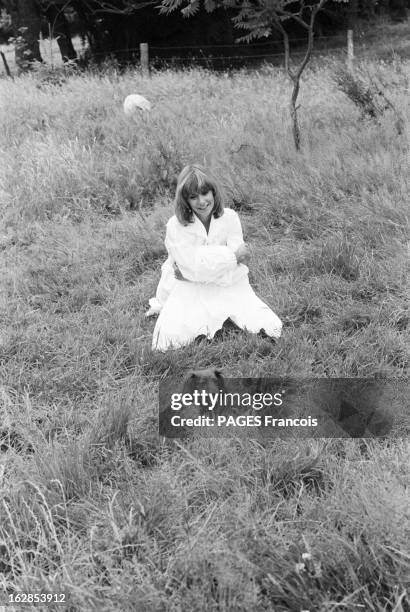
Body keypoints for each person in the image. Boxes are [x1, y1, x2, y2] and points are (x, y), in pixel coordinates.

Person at [147, 164, 282, 351]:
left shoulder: (230, 217)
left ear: (213, 192)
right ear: (185, 200)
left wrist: (201, 265)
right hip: (187, 285)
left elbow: (237, 263)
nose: (201, 201)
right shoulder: (175, 226)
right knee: (172, 336)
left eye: (205, 193)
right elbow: (191, 267)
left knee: (264, 323)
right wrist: (229, 258)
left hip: (226, 282)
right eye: (193, 197)